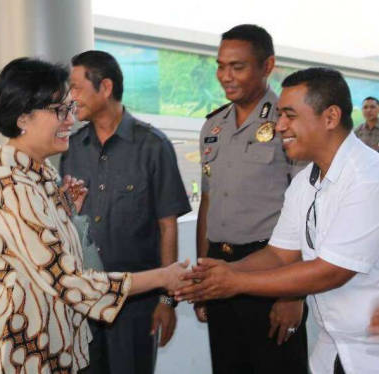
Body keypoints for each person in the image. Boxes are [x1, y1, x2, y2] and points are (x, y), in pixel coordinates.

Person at [0, 57, 191, 374]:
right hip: (11, 354)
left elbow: (53, 249)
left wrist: (68, 215)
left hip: (44, 347)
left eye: (70, 107)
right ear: (24, 117)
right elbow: (69, 281)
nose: (71, 119)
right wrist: (164, 278)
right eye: (59, 111)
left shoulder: (41, 173)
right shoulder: (12, 185)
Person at [177, 67, 379, 374]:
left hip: (370, 352)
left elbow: (331, 272)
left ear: (330, 117)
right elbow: (279, 254)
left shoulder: (367, 178)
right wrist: (222, 272)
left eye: (290, 115)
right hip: (333, 349)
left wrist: (235, 282)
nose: (279, 125)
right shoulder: (305, 183)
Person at [60, 50, 191, 374]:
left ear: (104, 87)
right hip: (84, 302)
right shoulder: (71, 148)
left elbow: (167, 227)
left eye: (76, 87)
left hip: (136, 304)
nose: (71, 97)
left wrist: (166, 300)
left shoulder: (153, 146)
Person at [195, 25, 308, 374]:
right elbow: (208, 203)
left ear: (267, 65)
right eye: (220, 65)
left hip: (273, 270)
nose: (225, 76)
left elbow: (308, 211)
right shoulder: (212, 128)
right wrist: (202, 274)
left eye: (237, 67)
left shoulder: (288, 121)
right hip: (219, 265)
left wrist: (294, 294)